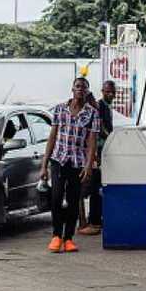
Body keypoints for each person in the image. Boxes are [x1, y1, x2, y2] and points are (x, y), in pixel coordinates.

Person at [40, 77, 100, 254]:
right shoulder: (60, 110)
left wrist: (89, 166)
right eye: (78, 87)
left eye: (84, 88)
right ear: (72, 89)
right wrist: (44, 164)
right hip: (59, 159)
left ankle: (68, 238)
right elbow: (52, 137)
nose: (81, 90)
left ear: (87, 92)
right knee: (56, 197)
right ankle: (56, 235)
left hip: (77, 162)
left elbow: (92, 142)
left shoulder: (92, 113)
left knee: (74, 200)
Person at [80, 81, 116, 235]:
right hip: (97, 153)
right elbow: (99, 130)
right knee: (95, 187)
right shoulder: (99, 107)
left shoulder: (107, 107)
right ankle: (93, 219)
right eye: (107, 92)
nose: (110, 95)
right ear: (102, 91)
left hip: (103, 152)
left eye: (112, 92)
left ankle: (96, 218)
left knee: (100, 187)